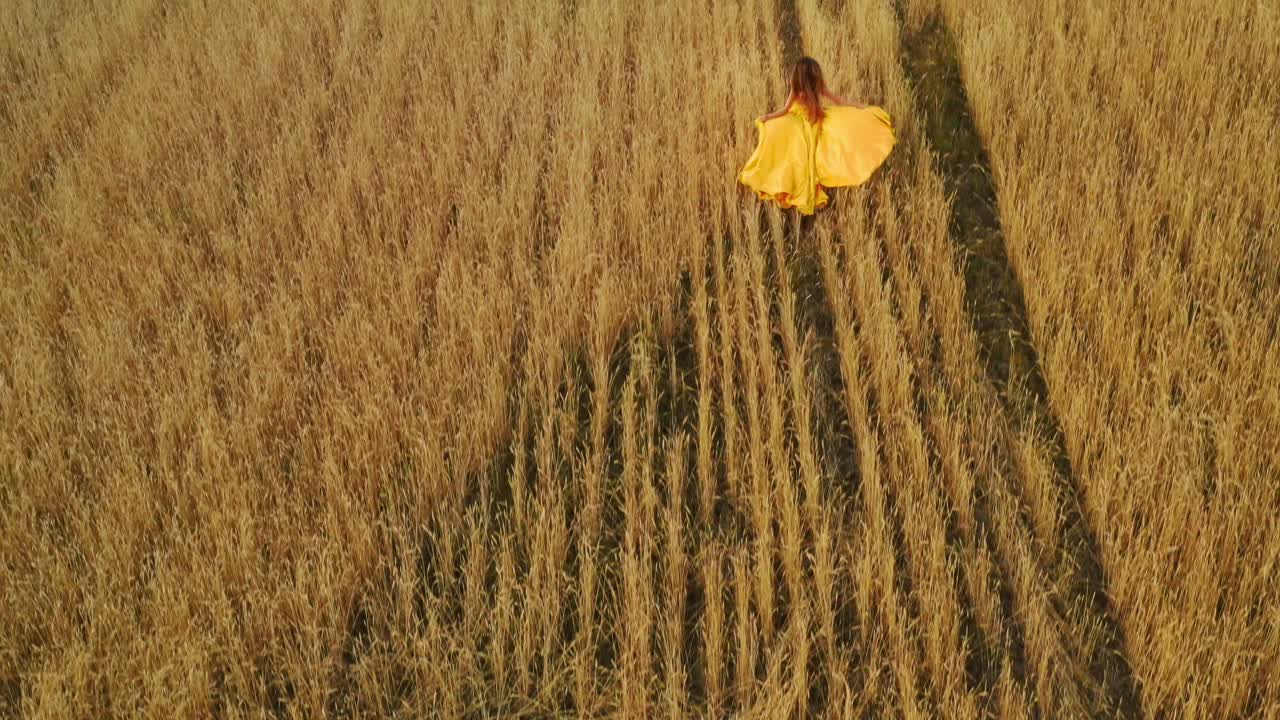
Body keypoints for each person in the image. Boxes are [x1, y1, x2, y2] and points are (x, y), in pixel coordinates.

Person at [739, 57, 896, 215]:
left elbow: (785, 110)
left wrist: (768, 117)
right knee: (808, 150)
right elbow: (838, 101)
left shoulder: (803, 88)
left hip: (810, 121)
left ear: (798, 77)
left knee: (804, 151)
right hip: (809, 120)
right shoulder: (803, 89)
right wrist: (863, 108)